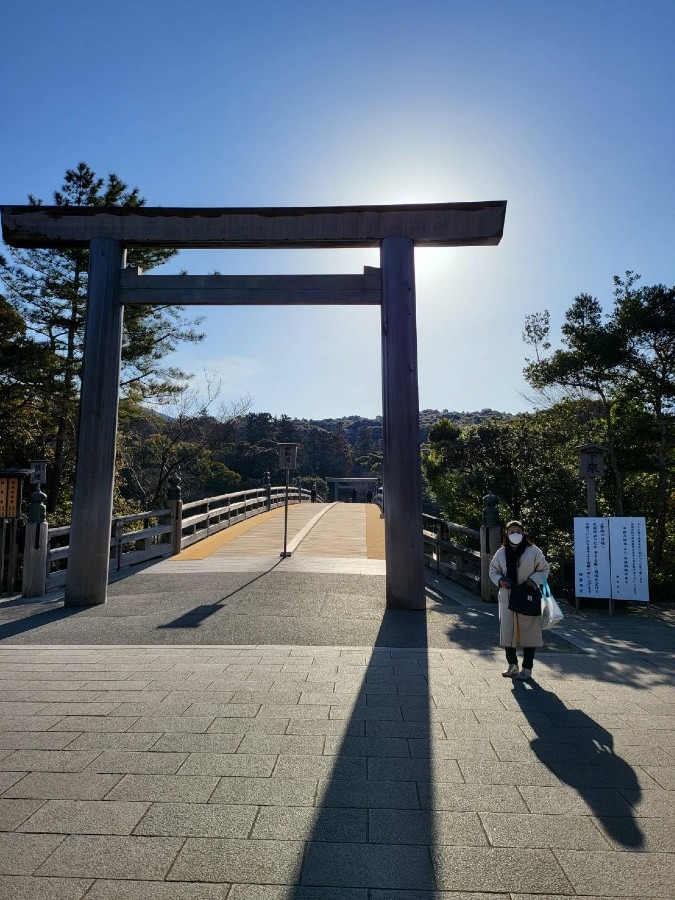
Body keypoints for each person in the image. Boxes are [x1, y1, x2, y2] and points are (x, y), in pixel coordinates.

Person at [489, 520, 550, 680]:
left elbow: (544, 569)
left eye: (518, 531)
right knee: (508, 631)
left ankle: (527, 668)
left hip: (527, 595)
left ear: (523, 533)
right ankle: (512, 665)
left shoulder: (533, 551)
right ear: (506, 534)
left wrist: (533, 580)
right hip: (507, 596)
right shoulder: (501, 553)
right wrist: (500, 580)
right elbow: (493, 570)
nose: (515, 534)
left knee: (530, 631)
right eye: (511, 532)